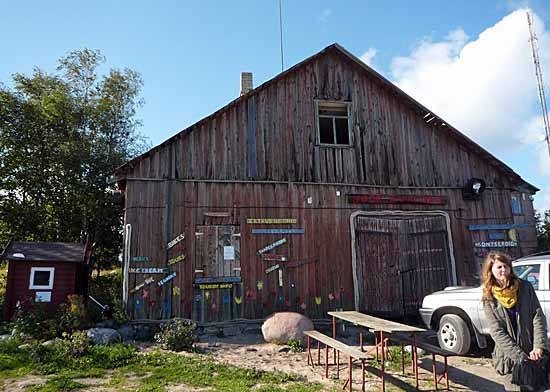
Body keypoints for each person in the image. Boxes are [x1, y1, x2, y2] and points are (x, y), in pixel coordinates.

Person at [482, 251, 549, 391]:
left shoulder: (525, 287)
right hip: (510, 360)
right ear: (491, 270)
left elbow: (537, 316)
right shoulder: (489, 297)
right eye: (499, 267)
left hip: (534, 354)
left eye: (506, 266)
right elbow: (497, 331)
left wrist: (538, 346)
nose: (503, 270)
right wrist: (520, 357)